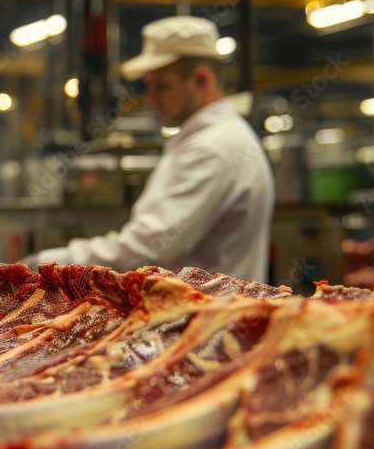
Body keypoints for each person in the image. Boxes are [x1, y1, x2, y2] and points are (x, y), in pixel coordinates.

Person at [27, 16, 275, 282]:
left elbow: (148, 250)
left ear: (201, 80)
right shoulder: (216, 137)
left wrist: (49, 264)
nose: (150, 98)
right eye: (149, 85)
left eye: (161, 86)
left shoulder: (212, 148)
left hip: (209, 317)